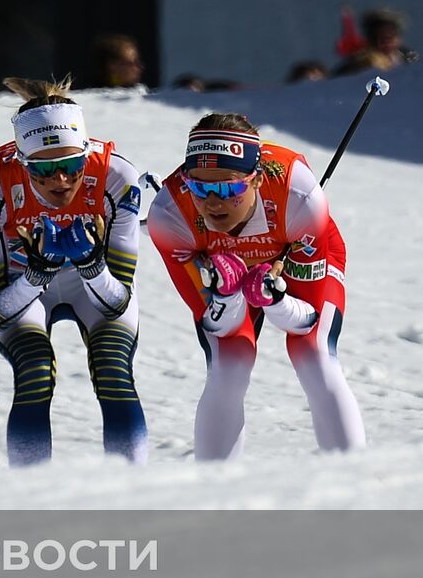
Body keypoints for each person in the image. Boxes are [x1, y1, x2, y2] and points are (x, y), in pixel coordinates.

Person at [146, 113, 366, 460]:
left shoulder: (300, 199)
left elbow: (305, 319)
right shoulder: (170, 214)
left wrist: (274, 299)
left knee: (314, 354)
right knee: (230, 365)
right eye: (199, 187)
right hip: (224, 269)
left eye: (229, 187)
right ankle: (217, 491)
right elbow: (218, 324)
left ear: (257, 180)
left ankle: (354, 481)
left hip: (293, 249)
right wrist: (226, 294)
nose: (213, 201)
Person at [0, 77, 147, 466]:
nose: (60, 180)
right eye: (43, 171)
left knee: (113, 370)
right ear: (21, 161)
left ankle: (134, 491)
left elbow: (118, 302)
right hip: (23, 289)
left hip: (94, 289)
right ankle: (32, 498)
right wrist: (36, 274)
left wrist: (92, 267)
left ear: (86, 153)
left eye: (70, 165)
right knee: (33, 372)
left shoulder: (118, 178)